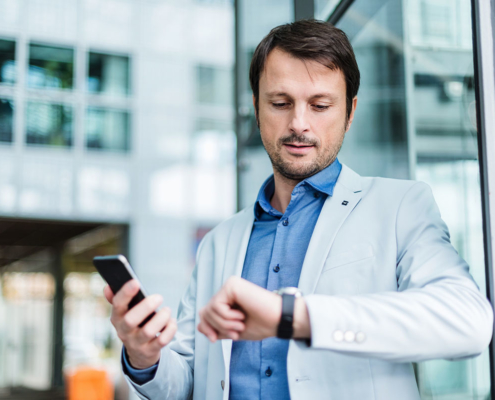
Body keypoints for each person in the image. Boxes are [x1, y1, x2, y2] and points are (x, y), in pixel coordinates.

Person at [104, 20, 493, 400]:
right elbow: (189, 382)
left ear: (350, 112)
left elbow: (468, 322)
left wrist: (293, 316)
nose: (298, 124)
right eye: (280, 103)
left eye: (321, 105)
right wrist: (144, 354)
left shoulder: (400, 207)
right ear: (257, 107)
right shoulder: (219, 242)